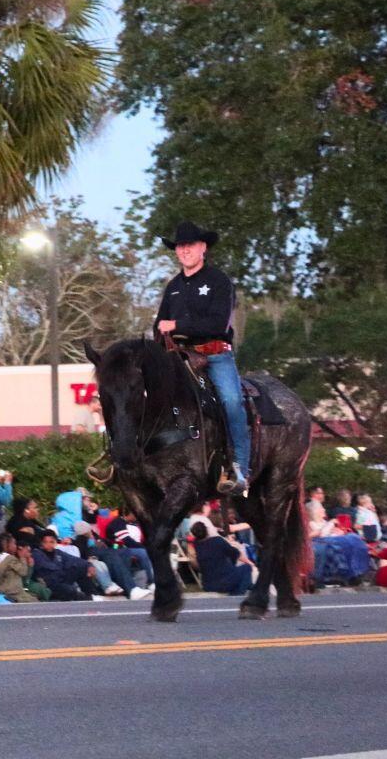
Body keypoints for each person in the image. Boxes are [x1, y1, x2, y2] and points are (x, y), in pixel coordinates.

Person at [153, 221, 249, 494]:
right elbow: (159, 324)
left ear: (202, 247)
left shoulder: (219, 281)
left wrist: (177, 325)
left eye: (190, 245)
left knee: (231, 401)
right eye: (180, 246)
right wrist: (161, 335)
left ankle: (241, 468)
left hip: (215, 355)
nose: (184, 250)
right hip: (178, 358)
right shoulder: (172, 287)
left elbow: (218, 324)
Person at [31, 531, 100, 601]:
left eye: (51, 542)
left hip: (61, 579)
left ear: (55, 542)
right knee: (70, 590)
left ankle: (92, 594)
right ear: (41, 543)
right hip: (48, 583)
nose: (48, 544)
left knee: (83, 568)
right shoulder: (37, 554)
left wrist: (89, 565)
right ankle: (85, 598)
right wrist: (64, 569)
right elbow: (48, 568)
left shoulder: (58, 553)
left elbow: (75, 560)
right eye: (45, 542)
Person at [190, 522, 254, 595]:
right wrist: (250, 563)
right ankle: (237, 595)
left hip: (208, 584)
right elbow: (236, 554)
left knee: (241, 577)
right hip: (223, 580)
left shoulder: (196, 544)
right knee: (247, 568)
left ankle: (251, 587)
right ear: (206, 530)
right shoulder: (217, 541)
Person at [104, 510, 155, 588]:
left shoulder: (126, 523)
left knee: (145, 552)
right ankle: (151, 581)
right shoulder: (118, 523)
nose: (136, 516)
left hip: (123, 548)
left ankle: (152, 579)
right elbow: (128, 541)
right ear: (127, 513)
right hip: (116, 548)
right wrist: (144, 547)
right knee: (142, 552)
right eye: (134, 513)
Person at [0, 532, 39, 602]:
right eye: (14, 543)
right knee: (35, 601)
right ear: (5, 545)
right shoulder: (10, 559)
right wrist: (22, 557)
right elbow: (23, 572)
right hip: (12, 592)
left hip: (2, 589)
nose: (16, 546)